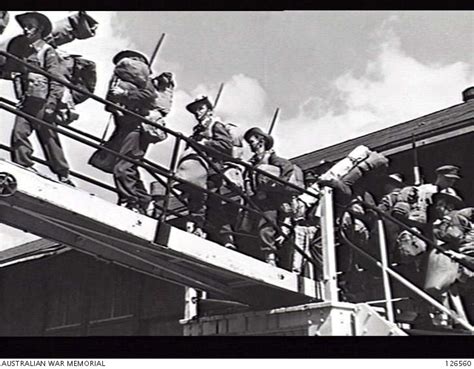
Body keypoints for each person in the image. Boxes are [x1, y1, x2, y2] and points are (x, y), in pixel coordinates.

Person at [10, 12, 75, 186]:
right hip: (27, 100)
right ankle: (22, 164)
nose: (25, 29)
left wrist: (51, 103)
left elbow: (56, 79)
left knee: (49, 137)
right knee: (19, 133)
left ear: (39, 29)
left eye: (30, 26)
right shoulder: (23, 50)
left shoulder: (47, 51)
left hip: (43, 101)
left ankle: (63, 174)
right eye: (25, 26)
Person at [89, 50, 157, 213]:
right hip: (122, 127)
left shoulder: (143, 79)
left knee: (123, 167)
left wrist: (125, 94)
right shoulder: (116, 80)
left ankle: (129, 201)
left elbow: (149, 96)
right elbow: (108, 102)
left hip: (136, 127)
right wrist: (115, 104)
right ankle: (142, 199)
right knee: (126, 167)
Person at [175, 96, 233, 240]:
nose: (197, 112)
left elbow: (227, 146)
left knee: (206, 199)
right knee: (203, 199)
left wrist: (206, 143)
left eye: (200, 108)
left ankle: (217, 234)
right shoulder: (197, 130)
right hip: (199, 169)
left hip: (212, 170)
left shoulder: (215, 125)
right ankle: (201, 229)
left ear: (209, 110)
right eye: (195, 110)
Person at [243, 127, 294, 266]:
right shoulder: (251, 163)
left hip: (271, 200)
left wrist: (275, 186)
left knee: (266, 225)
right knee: (246, 227)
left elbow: (287, 172)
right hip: (254, 200)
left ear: (261, 141)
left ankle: (270, 258)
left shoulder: (274, 160)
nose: (250, 145)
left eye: (252, 141)